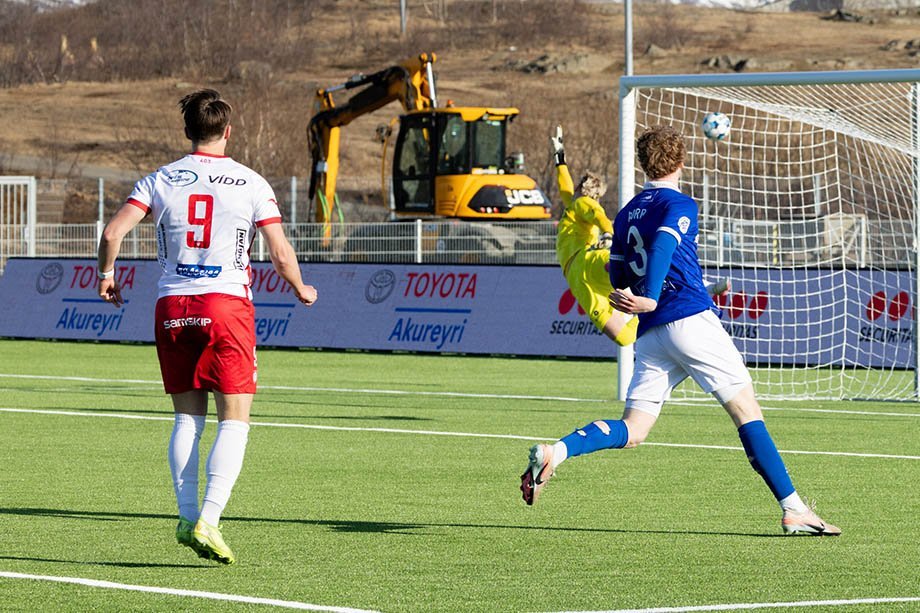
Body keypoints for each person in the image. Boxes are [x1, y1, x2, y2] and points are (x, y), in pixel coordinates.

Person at [521, 126, 840, 536]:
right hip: (687, 321)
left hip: (652, 335)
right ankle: (794, 509)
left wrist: (640, 297)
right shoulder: (680, 203)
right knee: (746, 411)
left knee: (633, 429)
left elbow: (617, 271)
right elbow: (663, 246)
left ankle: (557, 451)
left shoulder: (627, 212)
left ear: (642, 164)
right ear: (682, 162)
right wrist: (652, 297)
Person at [97, 89, 318, 564]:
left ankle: (186, 515)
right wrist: (300, 286)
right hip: (225, 306)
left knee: (186, 420)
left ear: (187, 131)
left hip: (172, 306)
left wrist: (107, 275)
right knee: (234, 421)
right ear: (228, 131)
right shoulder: (251, 182)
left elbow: (113, 232)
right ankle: (210, 520)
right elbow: (280, 252)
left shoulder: (160, 179)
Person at [551, 125, 637, 346]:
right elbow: (564, 187)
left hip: (587, 262)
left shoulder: (583, 203)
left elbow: (599, 216)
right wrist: (559, 158)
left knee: (622, 269)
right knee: (624, 338)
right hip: (579, 282)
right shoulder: (572, 207)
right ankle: (654, 309)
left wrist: (609, 234)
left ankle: (665, 275)